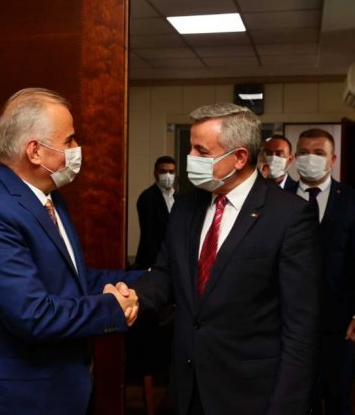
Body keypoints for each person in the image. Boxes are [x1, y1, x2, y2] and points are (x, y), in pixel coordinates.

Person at [0, 88, 143, 415]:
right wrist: (112, 308)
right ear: (35, 151)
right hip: (15, 399)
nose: (77, 148)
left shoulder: (49, 199)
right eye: (69, 140)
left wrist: (148, 279)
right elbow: (33, 315)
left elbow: (73, 280)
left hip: (59, 390)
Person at [131, 103, 322, 414]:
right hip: (187, 388)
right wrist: (131, 297)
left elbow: (300, 327)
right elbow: (165, 273)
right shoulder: (185, 208)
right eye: (191, 147)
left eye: (201, 151)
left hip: (249, 393)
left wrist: (286, 406)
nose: (190, 157)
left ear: (239, 157)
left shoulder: (289, 216)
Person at [286, 128, 355, 415]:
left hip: (338, 323)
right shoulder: (275, 199)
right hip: (287, 322)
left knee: (338, 397)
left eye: (319, 153)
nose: (311, 158)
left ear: (332, 159)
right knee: (293, 399)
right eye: (304, 152)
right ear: (295, 157)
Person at [134, 155, 177, 270]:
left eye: (171, 172)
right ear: (155, 173)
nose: (167, 175)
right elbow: (149, 234)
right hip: (152, 261)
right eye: (163, 171)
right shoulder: (148, 197)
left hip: (171, 259)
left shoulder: (176, 197)